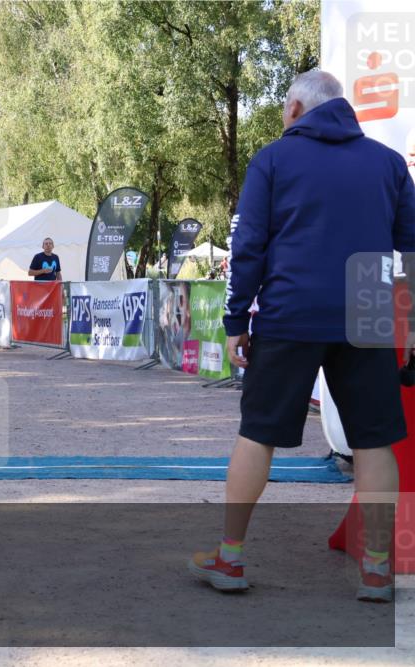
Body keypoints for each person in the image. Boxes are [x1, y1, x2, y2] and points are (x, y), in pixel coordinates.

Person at [189, 71, 415, 602]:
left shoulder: (273, 159)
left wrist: (235, 321)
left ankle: (230, 558)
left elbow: (248, 246)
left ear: (294, 108)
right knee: (373, 441)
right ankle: (377, 571)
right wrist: (407, 324)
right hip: (367, 303)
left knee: (257, 434)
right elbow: (409, 250)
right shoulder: (388, 163)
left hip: (290, 308)